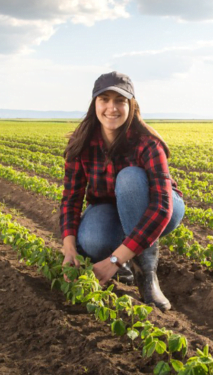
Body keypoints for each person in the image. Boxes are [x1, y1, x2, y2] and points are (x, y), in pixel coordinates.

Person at [60, 71, 185, 311]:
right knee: (92, 241)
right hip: (112, 208)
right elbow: (71, 199)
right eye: (104, 99)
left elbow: (161, 207)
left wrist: (113, 262)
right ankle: (126, 255)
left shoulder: (147, 143)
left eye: (120, 100)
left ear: (131, 105)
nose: (112, 107)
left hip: (161, 207)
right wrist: (69, 249)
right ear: (94, 104)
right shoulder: (82, 143)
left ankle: (146, 275)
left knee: (129, 177)